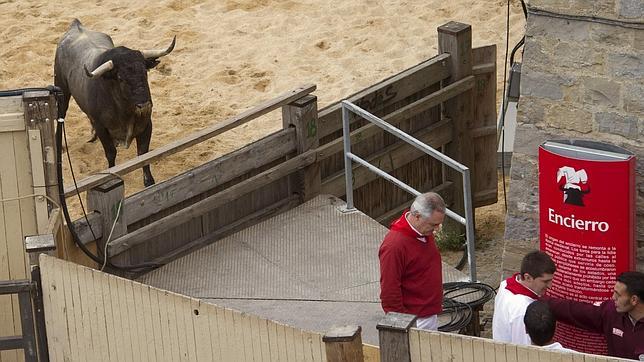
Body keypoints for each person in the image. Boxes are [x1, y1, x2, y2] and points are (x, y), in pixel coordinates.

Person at [379, 192, 446, 330]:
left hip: (428, 314)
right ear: (417, 216)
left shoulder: (422, 231)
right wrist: (402, 325)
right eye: (433, 225)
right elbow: (389, 292)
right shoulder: (394, 246)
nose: (436, 230)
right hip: (415, 321)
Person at [542, 271, 644, 360]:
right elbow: (577, 311)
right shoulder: (611, 312)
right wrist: (541, 301)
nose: (613, 297)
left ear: (634, 300)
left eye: (618, 294)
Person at [492, 250, 556, 345]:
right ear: (528, 277)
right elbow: (524, 349)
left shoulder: (505, 284)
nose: (550, 286)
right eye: (545, 281)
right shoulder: (523, 310)